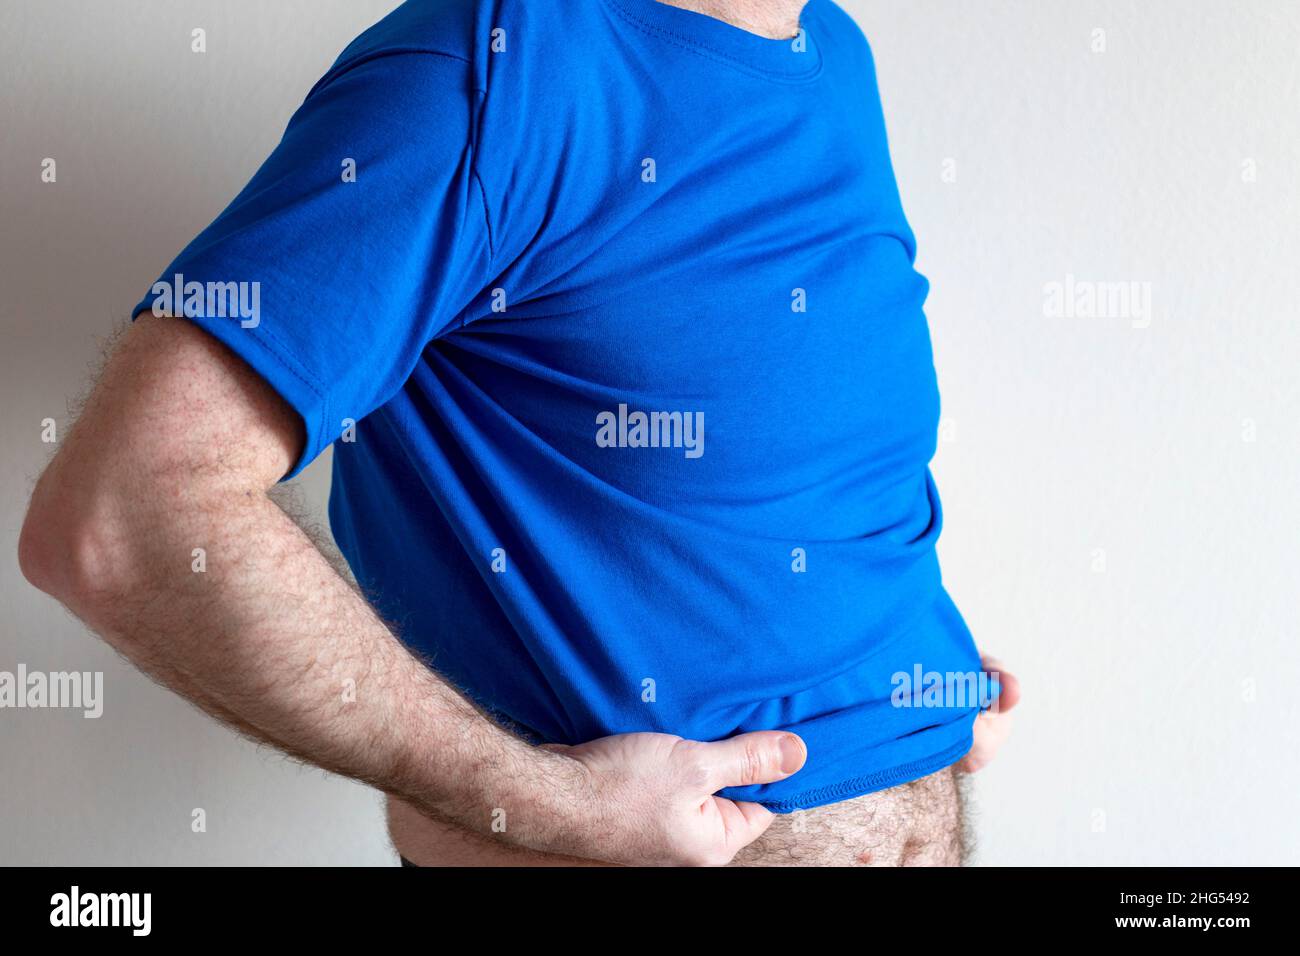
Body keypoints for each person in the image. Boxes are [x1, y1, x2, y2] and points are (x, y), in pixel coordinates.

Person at [19, 0, 1019, 867]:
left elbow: (786, 454)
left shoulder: (831, 52)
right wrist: (554, 803)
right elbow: (122, 508)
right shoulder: (491, 71)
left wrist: (913, 682)